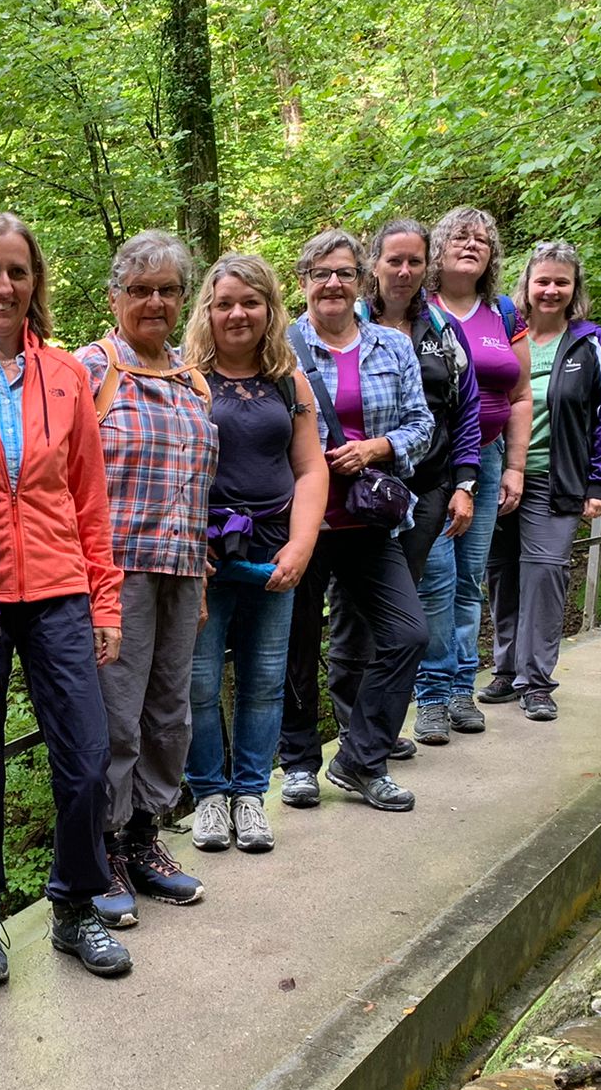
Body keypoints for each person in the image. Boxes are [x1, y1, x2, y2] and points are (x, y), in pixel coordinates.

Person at [0, 210, 132, 982]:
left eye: (17, 271)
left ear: (34, 283)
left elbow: (90, 495)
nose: (4, 285)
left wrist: (104, 600)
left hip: (58, 591)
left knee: (84, 757)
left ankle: (77, 907)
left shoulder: (66, 374)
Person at [77, 230, 218, 923]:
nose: (155, 301)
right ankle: (101, 848)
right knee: (116, 719)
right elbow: (61, 482)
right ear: (115, 298)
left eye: (167, 290)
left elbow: (199, 485)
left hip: (183, 571)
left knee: (171, 714)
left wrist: (201, 573)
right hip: (115, 576)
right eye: (141, 290)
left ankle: (145, 837)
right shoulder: (90, 370)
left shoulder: (193, 377)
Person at [280, 229, 434, 812]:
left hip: (370, 523)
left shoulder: (391, 346)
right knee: (296, 645)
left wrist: (379, 448)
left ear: (361, 280)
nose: (333, 284)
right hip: (302, 525)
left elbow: (423, 423)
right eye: (321, 273)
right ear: (304, 281)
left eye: (344, 272)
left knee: (407, 634)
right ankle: (296, 762)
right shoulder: (282, 347)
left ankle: (360, 758)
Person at [180, 253, 327, 854]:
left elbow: (312, 466)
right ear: (207, 312)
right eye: (224, 304)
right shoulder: (186, 378)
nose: (237, 314)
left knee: (266, 680)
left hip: (275, 551)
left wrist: (301, 544)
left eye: (249, 302)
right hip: (205, 554)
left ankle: (250, 795)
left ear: (269, 308)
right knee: (198, 680)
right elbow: (170, 471)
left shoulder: (290, 379)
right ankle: (209, 796)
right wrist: (188, 543)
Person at [352, 217, 480, 755]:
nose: (404, 272)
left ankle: (396, 720)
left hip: (427, 486)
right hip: (359, 491)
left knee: (415, 604)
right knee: (359, 612)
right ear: (374, 265)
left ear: (427, 266)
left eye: (414, 262)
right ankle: (360, 727)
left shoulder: (440, 331)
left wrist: (465, 483)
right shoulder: (346, 322)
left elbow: (466, 409)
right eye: (393, 261)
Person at [484, 241, 601, 721]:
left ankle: (537, 680)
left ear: (574, 289)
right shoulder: (503, 333)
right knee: (502, 574)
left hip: (556, 478)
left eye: (561, 282)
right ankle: (505, 670)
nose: (551, 290)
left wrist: (598, 482)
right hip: (500, 474)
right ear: (526, 285)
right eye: (542, 281)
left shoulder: (591, 342)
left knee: (544, 574)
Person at [413, 206, 529, 743]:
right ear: (438, 248)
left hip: (485, 456)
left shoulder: (504, 313)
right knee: (433, 580)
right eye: (460, 236)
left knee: (468, 580)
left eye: (482, 239)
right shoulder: (420, 311)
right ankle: (430, 693)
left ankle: (462, 685)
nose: (472, 245)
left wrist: (514, 467)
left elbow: (521, 395)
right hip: (429, 465)